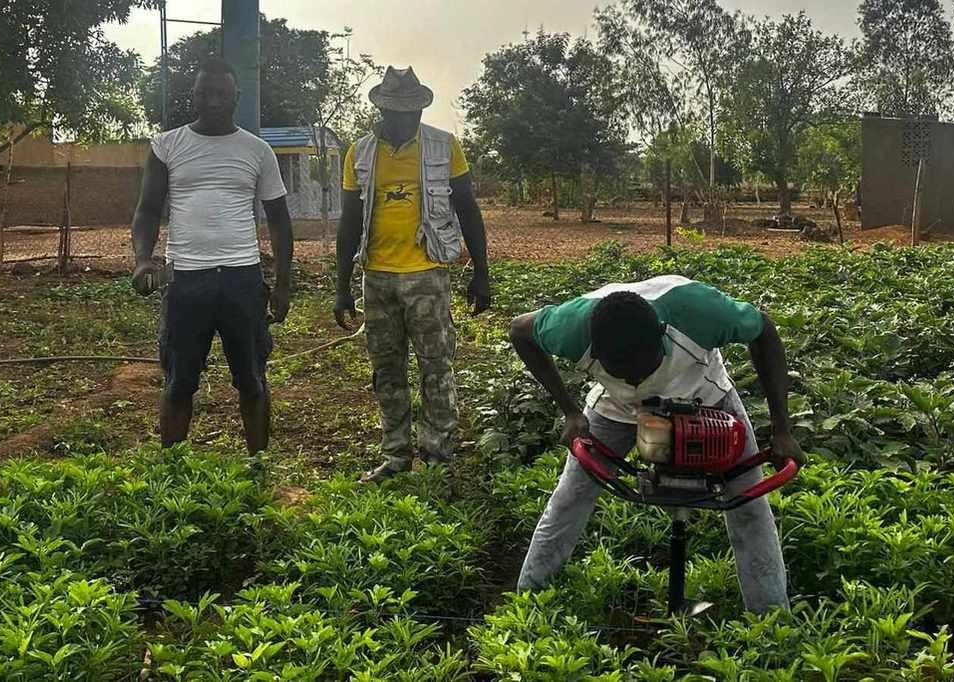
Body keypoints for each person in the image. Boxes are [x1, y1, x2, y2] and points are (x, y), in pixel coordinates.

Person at [507, 275, 805, 613]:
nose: (636, 380)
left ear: (661, 335)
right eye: (622, 371)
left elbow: (763, 329)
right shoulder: (570, 327)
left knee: (749, 504)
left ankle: (771, 617)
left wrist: (782, 428)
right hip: (617, 407)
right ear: (594, 348)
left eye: (641, 369)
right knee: (570, 495)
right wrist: (570, 411)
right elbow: (520, 331)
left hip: (705, 396)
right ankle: (528, 602)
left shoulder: (699, 311)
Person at [129, 57, 294, 457]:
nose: (213, 101)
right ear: (194, 96)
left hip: (242, 279)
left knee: (253, 380)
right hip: (185, 279)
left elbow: (279, 220)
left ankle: (258, 467)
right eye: (205, 92)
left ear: (235, 96)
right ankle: (171, 471)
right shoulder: (167, 146)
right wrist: (142, 260)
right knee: (179, 382)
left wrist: (284, 285)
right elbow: (148, 209)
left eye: (221, 93)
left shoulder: (257, 151)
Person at [334, 66, 492, 484]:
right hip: (378, 278)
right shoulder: (361, 153)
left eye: (414, 110)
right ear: (383, 109)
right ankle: (396, 456)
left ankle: (438, 458)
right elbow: (349, 223)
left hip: (428, 274)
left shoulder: (444, 147)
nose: (407, 118)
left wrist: (482, 271)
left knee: (436, 368)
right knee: (387, 371)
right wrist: (341, 288)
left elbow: (468, 210)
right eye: (398, 111)